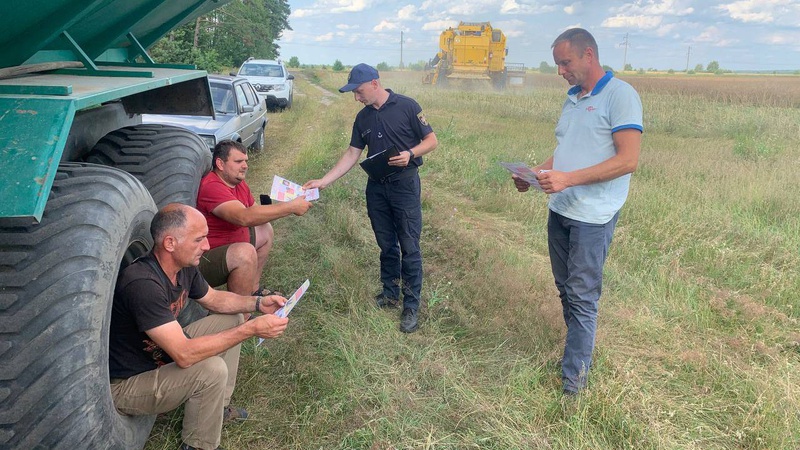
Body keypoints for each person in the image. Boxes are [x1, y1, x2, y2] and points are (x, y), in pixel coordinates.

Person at [512, 28, 643, 395]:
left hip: (593, 216)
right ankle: (578, 354)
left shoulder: (621, 96)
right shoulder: (572, 99)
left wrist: (568, 179)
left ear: (589, 55)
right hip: (561, 210)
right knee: (565, 289)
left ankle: (574, 384)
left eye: (565, 62)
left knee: (582, 295)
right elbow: (566, 150)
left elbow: (628, 160)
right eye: (557, 64)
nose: (560, 71)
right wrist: (535, 175)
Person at [109, 203, 289, 450]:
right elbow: (184, 354)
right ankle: (198, 445)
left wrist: (257, 303)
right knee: (211, 370)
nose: (206, 246)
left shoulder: (183, 267)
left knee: (234, 318)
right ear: (170, 243)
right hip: (129, 382)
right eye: (199, 239)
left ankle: (218, 408)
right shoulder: (142, 284)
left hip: (160, 357)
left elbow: (215, 299)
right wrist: (252, 329)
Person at [304, 63, 438, 333]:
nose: (357, 97)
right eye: (354, 93)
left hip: (404, 186)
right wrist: (324, 181)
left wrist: (410, 154)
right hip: (376, 189)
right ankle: (390, 293)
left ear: (375, 84)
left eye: (359, 91)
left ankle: (411, 305)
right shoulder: (362, 118)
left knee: (409, 246)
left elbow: (431, 140)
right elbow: (352, 154)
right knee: (386, 244)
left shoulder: (408, 106)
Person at [197, 140, 312, 298]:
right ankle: (241, 316)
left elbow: (255, 211)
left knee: (265, 229)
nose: (245, 165)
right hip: (205, 258)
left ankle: (253, 289)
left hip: (232, 241)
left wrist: (288, 201)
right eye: (238, 161)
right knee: (245, 253)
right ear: (220, 163)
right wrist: (291, 207)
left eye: (246, 161)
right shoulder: (212, 186)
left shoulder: (237, 183)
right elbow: (244, 217)